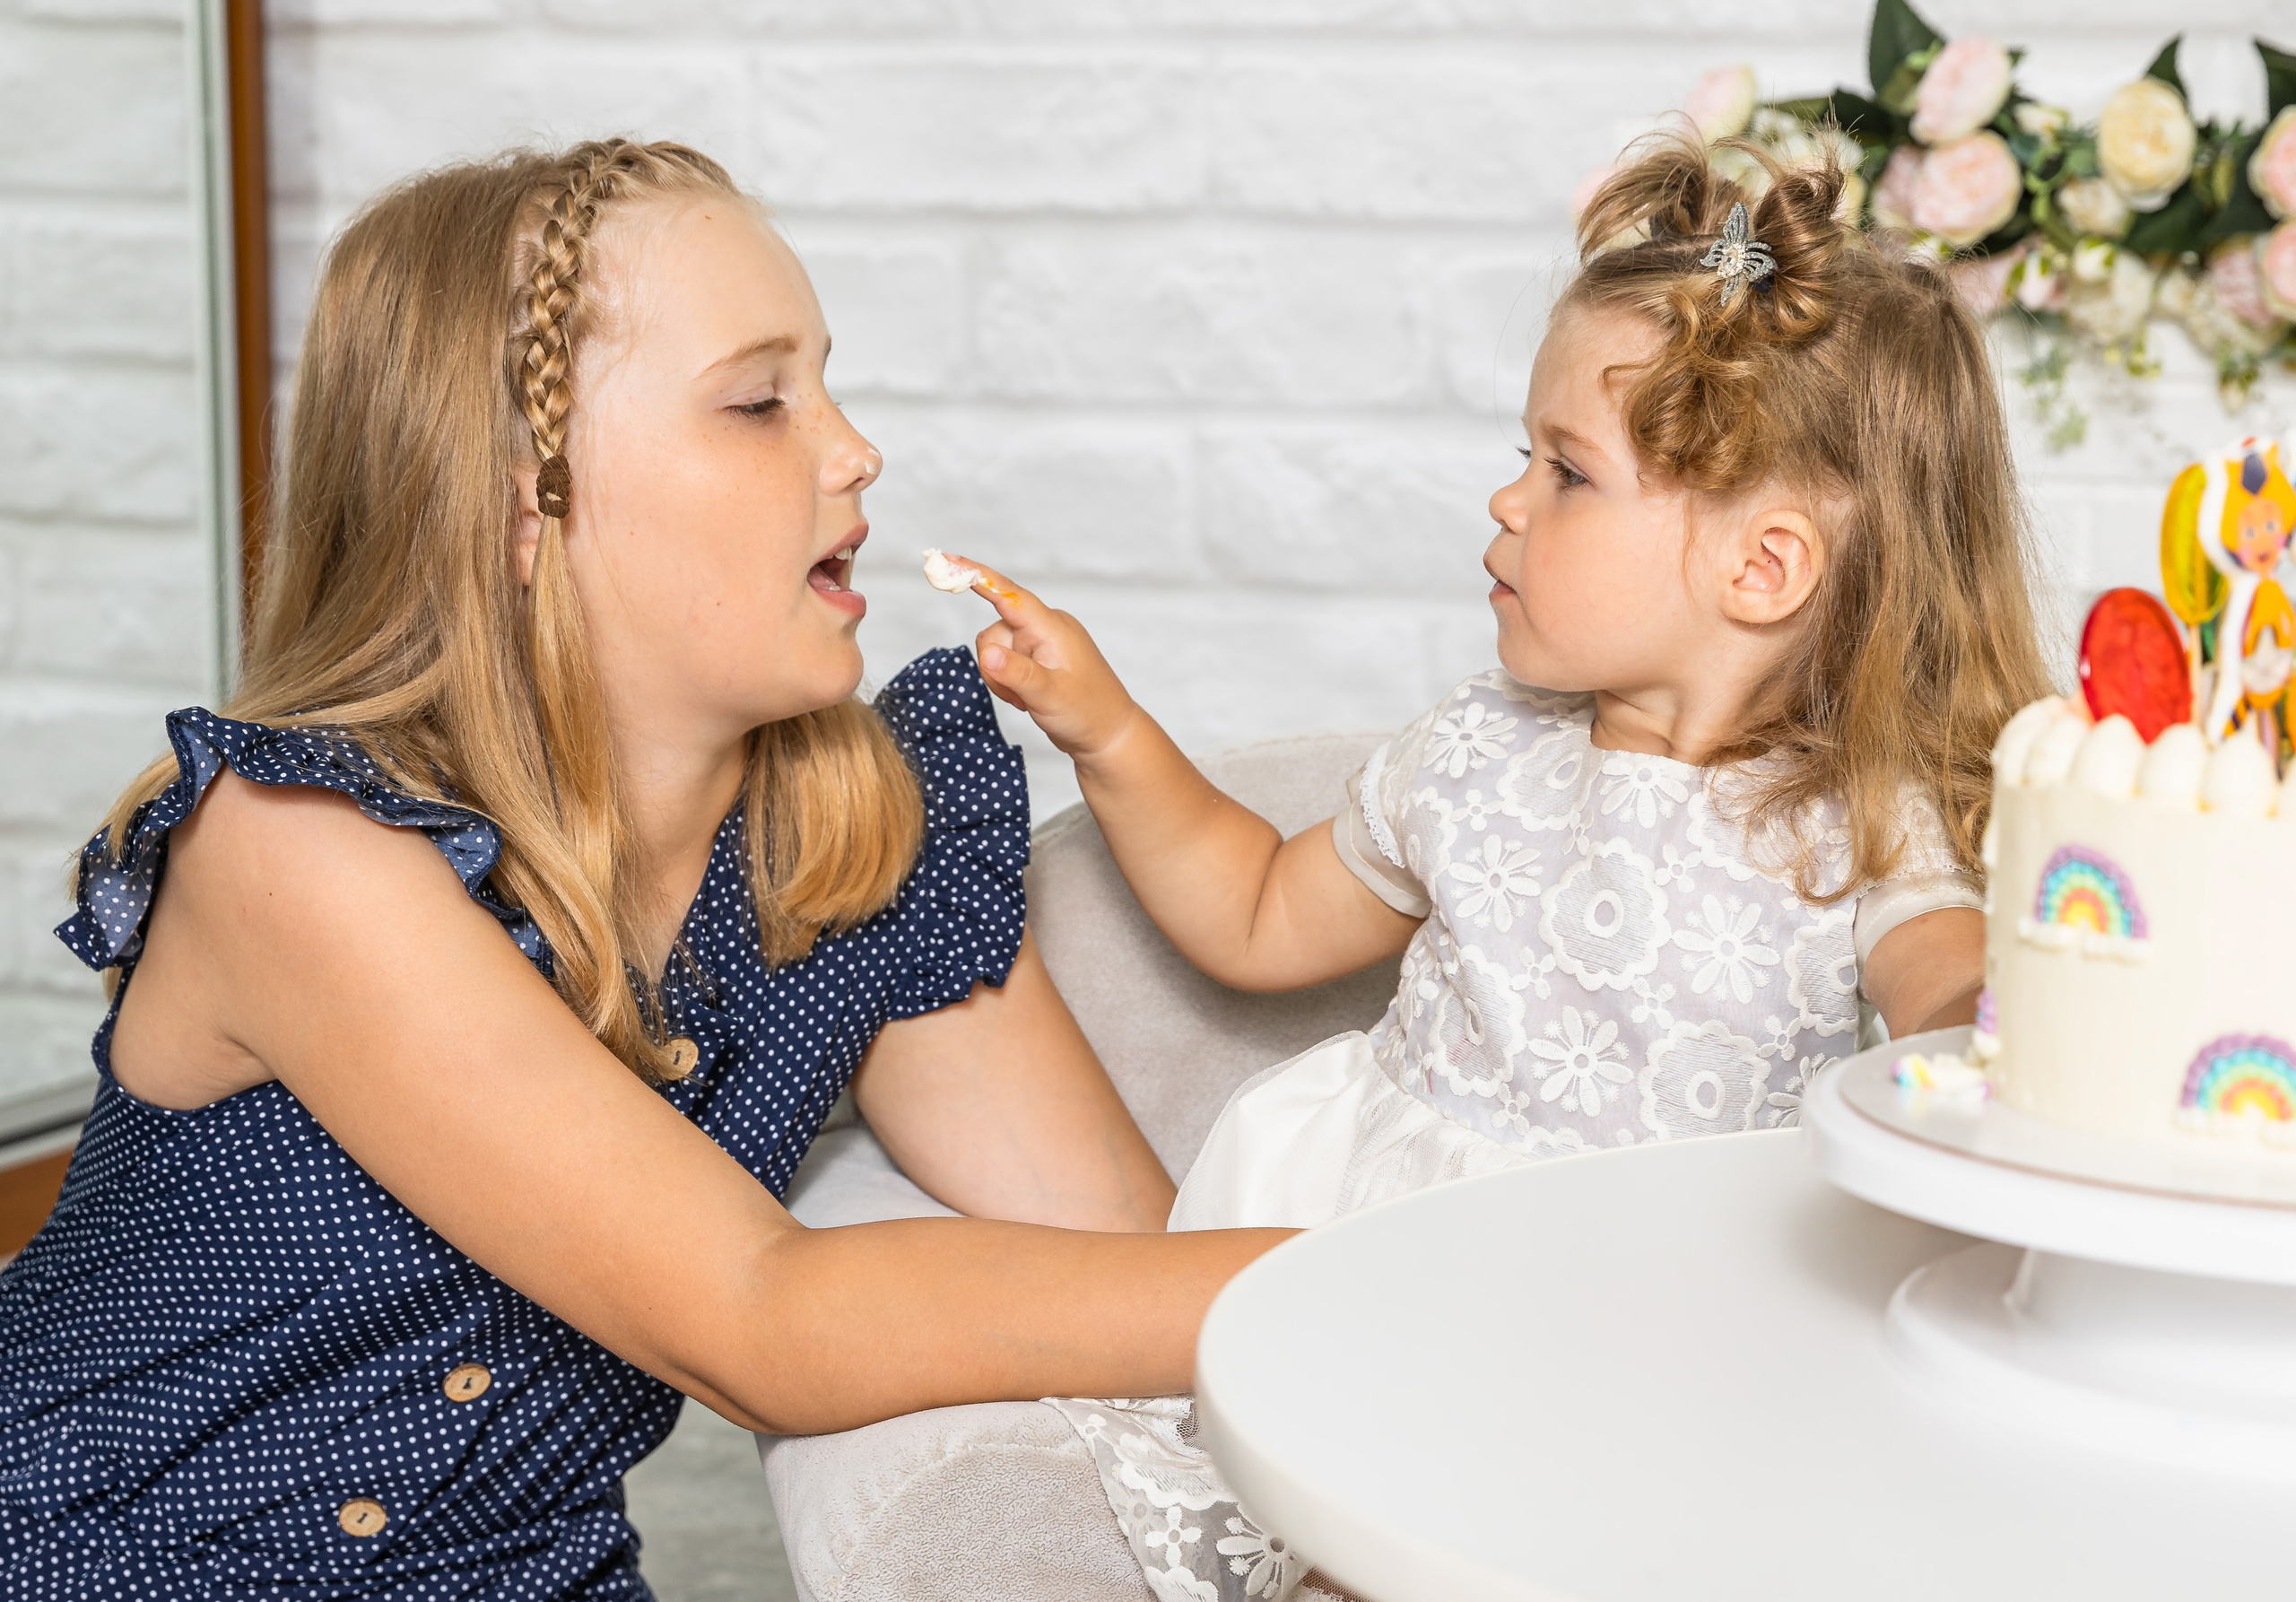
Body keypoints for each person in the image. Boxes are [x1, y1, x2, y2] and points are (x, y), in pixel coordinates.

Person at [0, 139, 1289, 1598]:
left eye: (827, 384)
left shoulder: (853, 842)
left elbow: (1127, 1251)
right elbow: (763, 1316)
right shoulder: (298, 844)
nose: (855, 448)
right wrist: (1385, 1281)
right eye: (759, 402)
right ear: (521, 506)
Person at [962, 138, 2053, 1598]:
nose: (1506, 502)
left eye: (1567, 472)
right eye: (1525, 455)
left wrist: (2025, 1029)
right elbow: (1255, 911)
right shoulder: (1474, 756)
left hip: (1670, 1324)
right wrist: (1108, 727)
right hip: (1398, 1281)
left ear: (1763, 568)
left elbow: (1952, 1005)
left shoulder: (1854, 818)